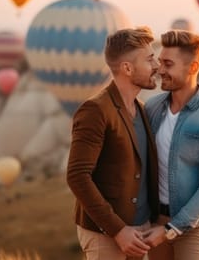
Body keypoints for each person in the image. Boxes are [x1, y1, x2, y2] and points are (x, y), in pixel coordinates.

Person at [66, 26, 160, 260]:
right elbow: (77, 176)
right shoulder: (95, 110)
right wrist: (117, 230)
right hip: (106, 235)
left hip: (140, 233)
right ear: (127, 68)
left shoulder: (140, 109)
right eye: (150, 60)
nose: (157, 65)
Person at [143, 30, 199, 260]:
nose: (160, 69)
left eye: (168, 64)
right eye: (160, 62)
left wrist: (171, 230)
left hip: (195, 226)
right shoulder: (151, 109)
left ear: (193, 67)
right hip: (155, 222)